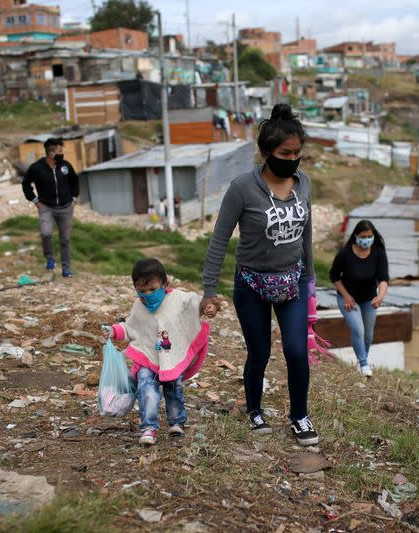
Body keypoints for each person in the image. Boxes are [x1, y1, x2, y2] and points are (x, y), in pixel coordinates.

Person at [201, 103, 319, 446]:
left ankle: (299, 416)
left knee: (297, 351)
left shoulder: (305, 183)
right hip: (251, 282)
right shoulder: (242, 188)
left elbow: (306, 234)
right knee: (260, 351)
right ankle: (254, 409)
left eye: (298, 152)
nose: (293, 158)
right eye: (285, 152)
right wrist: (209, 289)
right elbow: (220, 238)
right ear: (267, 152)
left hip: (293, 281)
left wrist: (310, 283)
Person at [103, 258, 214, 445]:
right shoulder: (139, 306)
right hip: (148, 357)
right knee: (146, 389)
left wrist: (209, 306)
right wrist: (113, 330)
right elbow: (131, 328)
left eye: (153, 290)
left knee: (174, 389)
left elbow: (197, 304)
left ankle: (177, 422)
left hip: (171, 356)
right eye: (142, 291)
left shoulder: (178, 299)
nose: (148, 295)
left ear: (164, 284)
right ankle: (148, 427)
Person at [329, 220, 390, 377]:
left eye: (369, 236)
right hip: (348, 299)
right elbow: (334, 276)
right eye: (363, 236)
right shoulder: (345, 253)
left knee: (368, 334)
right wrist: (346, 295)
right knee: (358, 330)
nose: (366, 239)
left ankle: (362, 362)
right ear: (356, 235)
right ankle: (364, 365)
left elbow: (383, 278)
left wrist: (380, 296)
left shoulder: (378, 253)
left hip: (368, 300)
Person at [21, 137, 79, 277]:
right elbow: (26, 184)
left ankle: (66, 268)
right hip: (46, 207)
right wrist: (35, 200)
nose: (62, 153)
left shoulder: (66, 166)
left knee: (65, 239)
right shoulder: (36, 168)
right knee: (46, 233)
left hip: (66, 207)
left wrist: (74, 199)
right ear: (51, 153)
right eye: (60, 151)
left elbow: (75, 182)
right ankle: (50, 258)